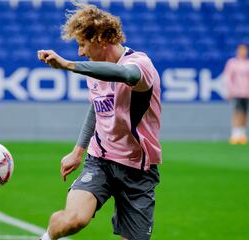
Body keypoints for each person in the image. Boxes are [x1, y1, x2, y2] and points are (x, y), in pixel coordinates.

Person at [37, 3, 162, 240]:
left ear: (101, 40)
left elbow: (127, 75)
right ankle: (46, 237)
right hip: (101, 161)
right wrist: (77, 151)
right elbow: (97, 107)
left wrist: (69, 66)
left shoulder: (140, 64)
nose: (80, 53)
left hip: (138, 169)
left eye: (82, 45)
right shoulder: (94, 72)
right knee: (73, 220)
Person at [224, 44, 249, 144]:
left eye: (245, 50)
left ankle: (243, 134)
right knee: (237, 112)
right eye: (241, 50)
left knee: (245, 113)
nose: (243, 52)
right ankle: (235, 134)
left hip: (247, 92)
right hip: (236, 92)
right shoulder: (232, 63)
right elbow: (228, 77)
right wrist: (229, 90)